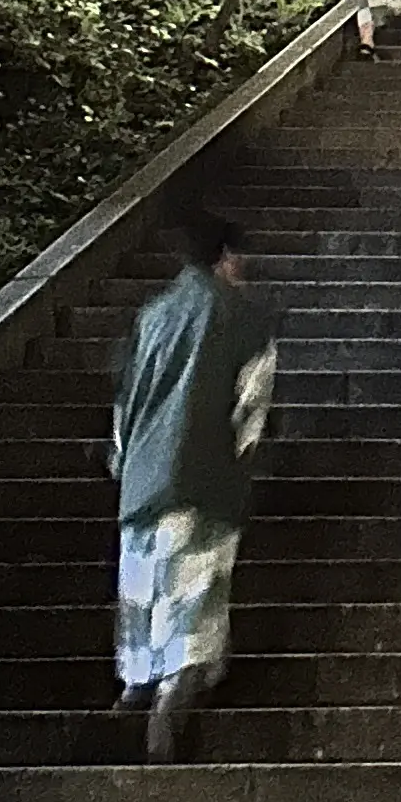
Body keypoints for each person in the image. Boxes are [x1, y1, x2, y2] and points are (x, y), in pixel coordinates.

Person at [112, 209, 279, 762]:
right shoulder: (243, 317)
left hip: (142, 478)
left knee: (144, 586)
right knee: (195, 592)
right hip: (203, 475)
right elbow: (250, 408)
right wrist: (246, 467)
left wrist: (126, 461)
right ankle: (172, 699)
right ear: (226, 257)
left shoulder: (153, 315)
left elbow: (124, 401)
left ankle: (135, 683)